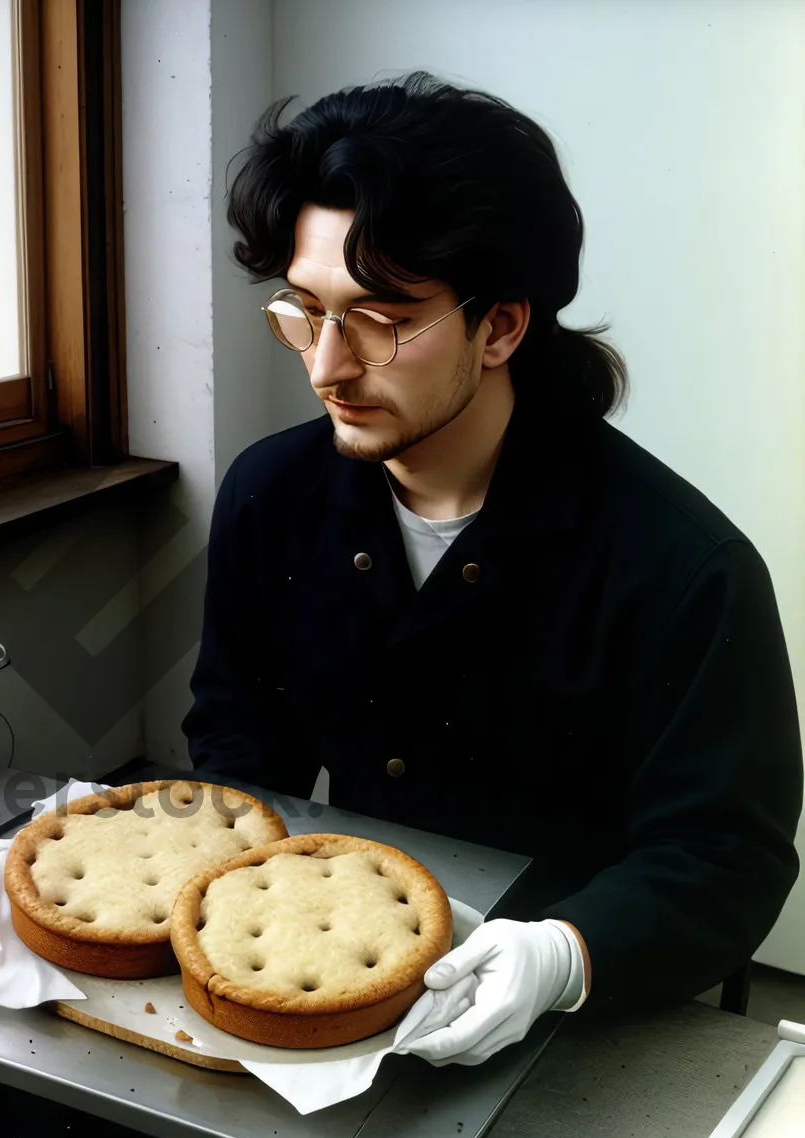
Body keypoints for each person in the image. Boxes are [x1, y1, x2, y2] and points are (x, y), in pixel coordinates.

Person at [182, 73, 802, 1066]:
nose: (326, 367)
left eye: (381, 321)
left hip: (592, 1016)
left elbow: (726, 858)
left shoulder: (684, 566)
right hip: (344, 982)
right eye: (306, 310)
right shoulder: (270, 495)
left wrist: (564, 957)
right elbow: (238, 738)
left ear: (502, 325)